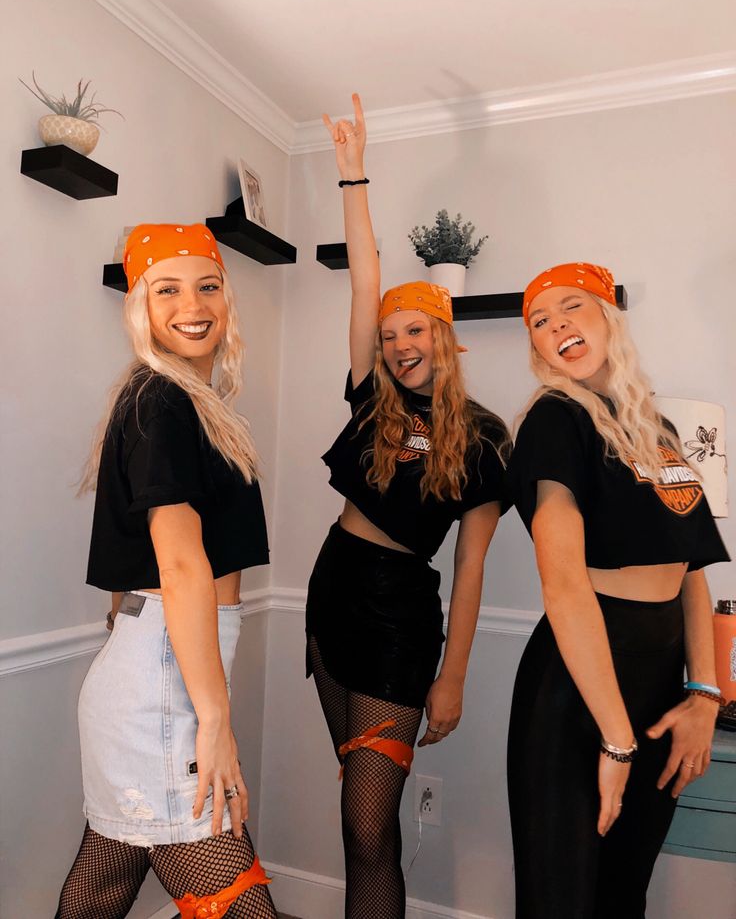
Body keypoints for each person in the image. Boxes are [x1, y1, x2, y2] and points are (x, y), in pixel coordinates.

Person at [307, 94, 511, 919]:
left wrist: (451, 675)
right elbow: (365, 277)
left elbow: (469, 567)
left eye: (413, 330)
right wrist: (352, 172)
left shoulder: (488, 438)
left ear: (445, 334)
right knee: (354, 809)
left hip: (400, 617)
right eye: (389, 334)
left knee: (368, 825)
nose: (397, 342)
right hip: (332, 590)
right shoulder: (371, 401)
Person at [56, 224, 277, 919]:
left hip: (155, 667)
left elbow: (136, 569)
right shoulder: (163, 400)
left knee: (101, 885)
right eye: (168, 288)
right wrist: (213, 718)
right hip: (162, 688)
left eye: (208, 285)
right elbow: (179, 564)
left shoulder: (185, 402)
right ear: (141, 306)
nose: (194, 303)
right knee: (246, 909)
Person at [506, 262, 730, 919]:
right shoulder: (555, 419)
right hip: (579, 689)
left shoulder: (654, 430)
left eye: (572, 307)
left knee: (622, 892)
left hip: (659, 683)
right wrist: (615, 738)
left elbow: (691, 572)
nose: (557, 327)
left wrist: (704, 693)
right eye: (540, 322)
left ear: (609, 317)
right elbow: (565, 584)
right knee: (563, 899)